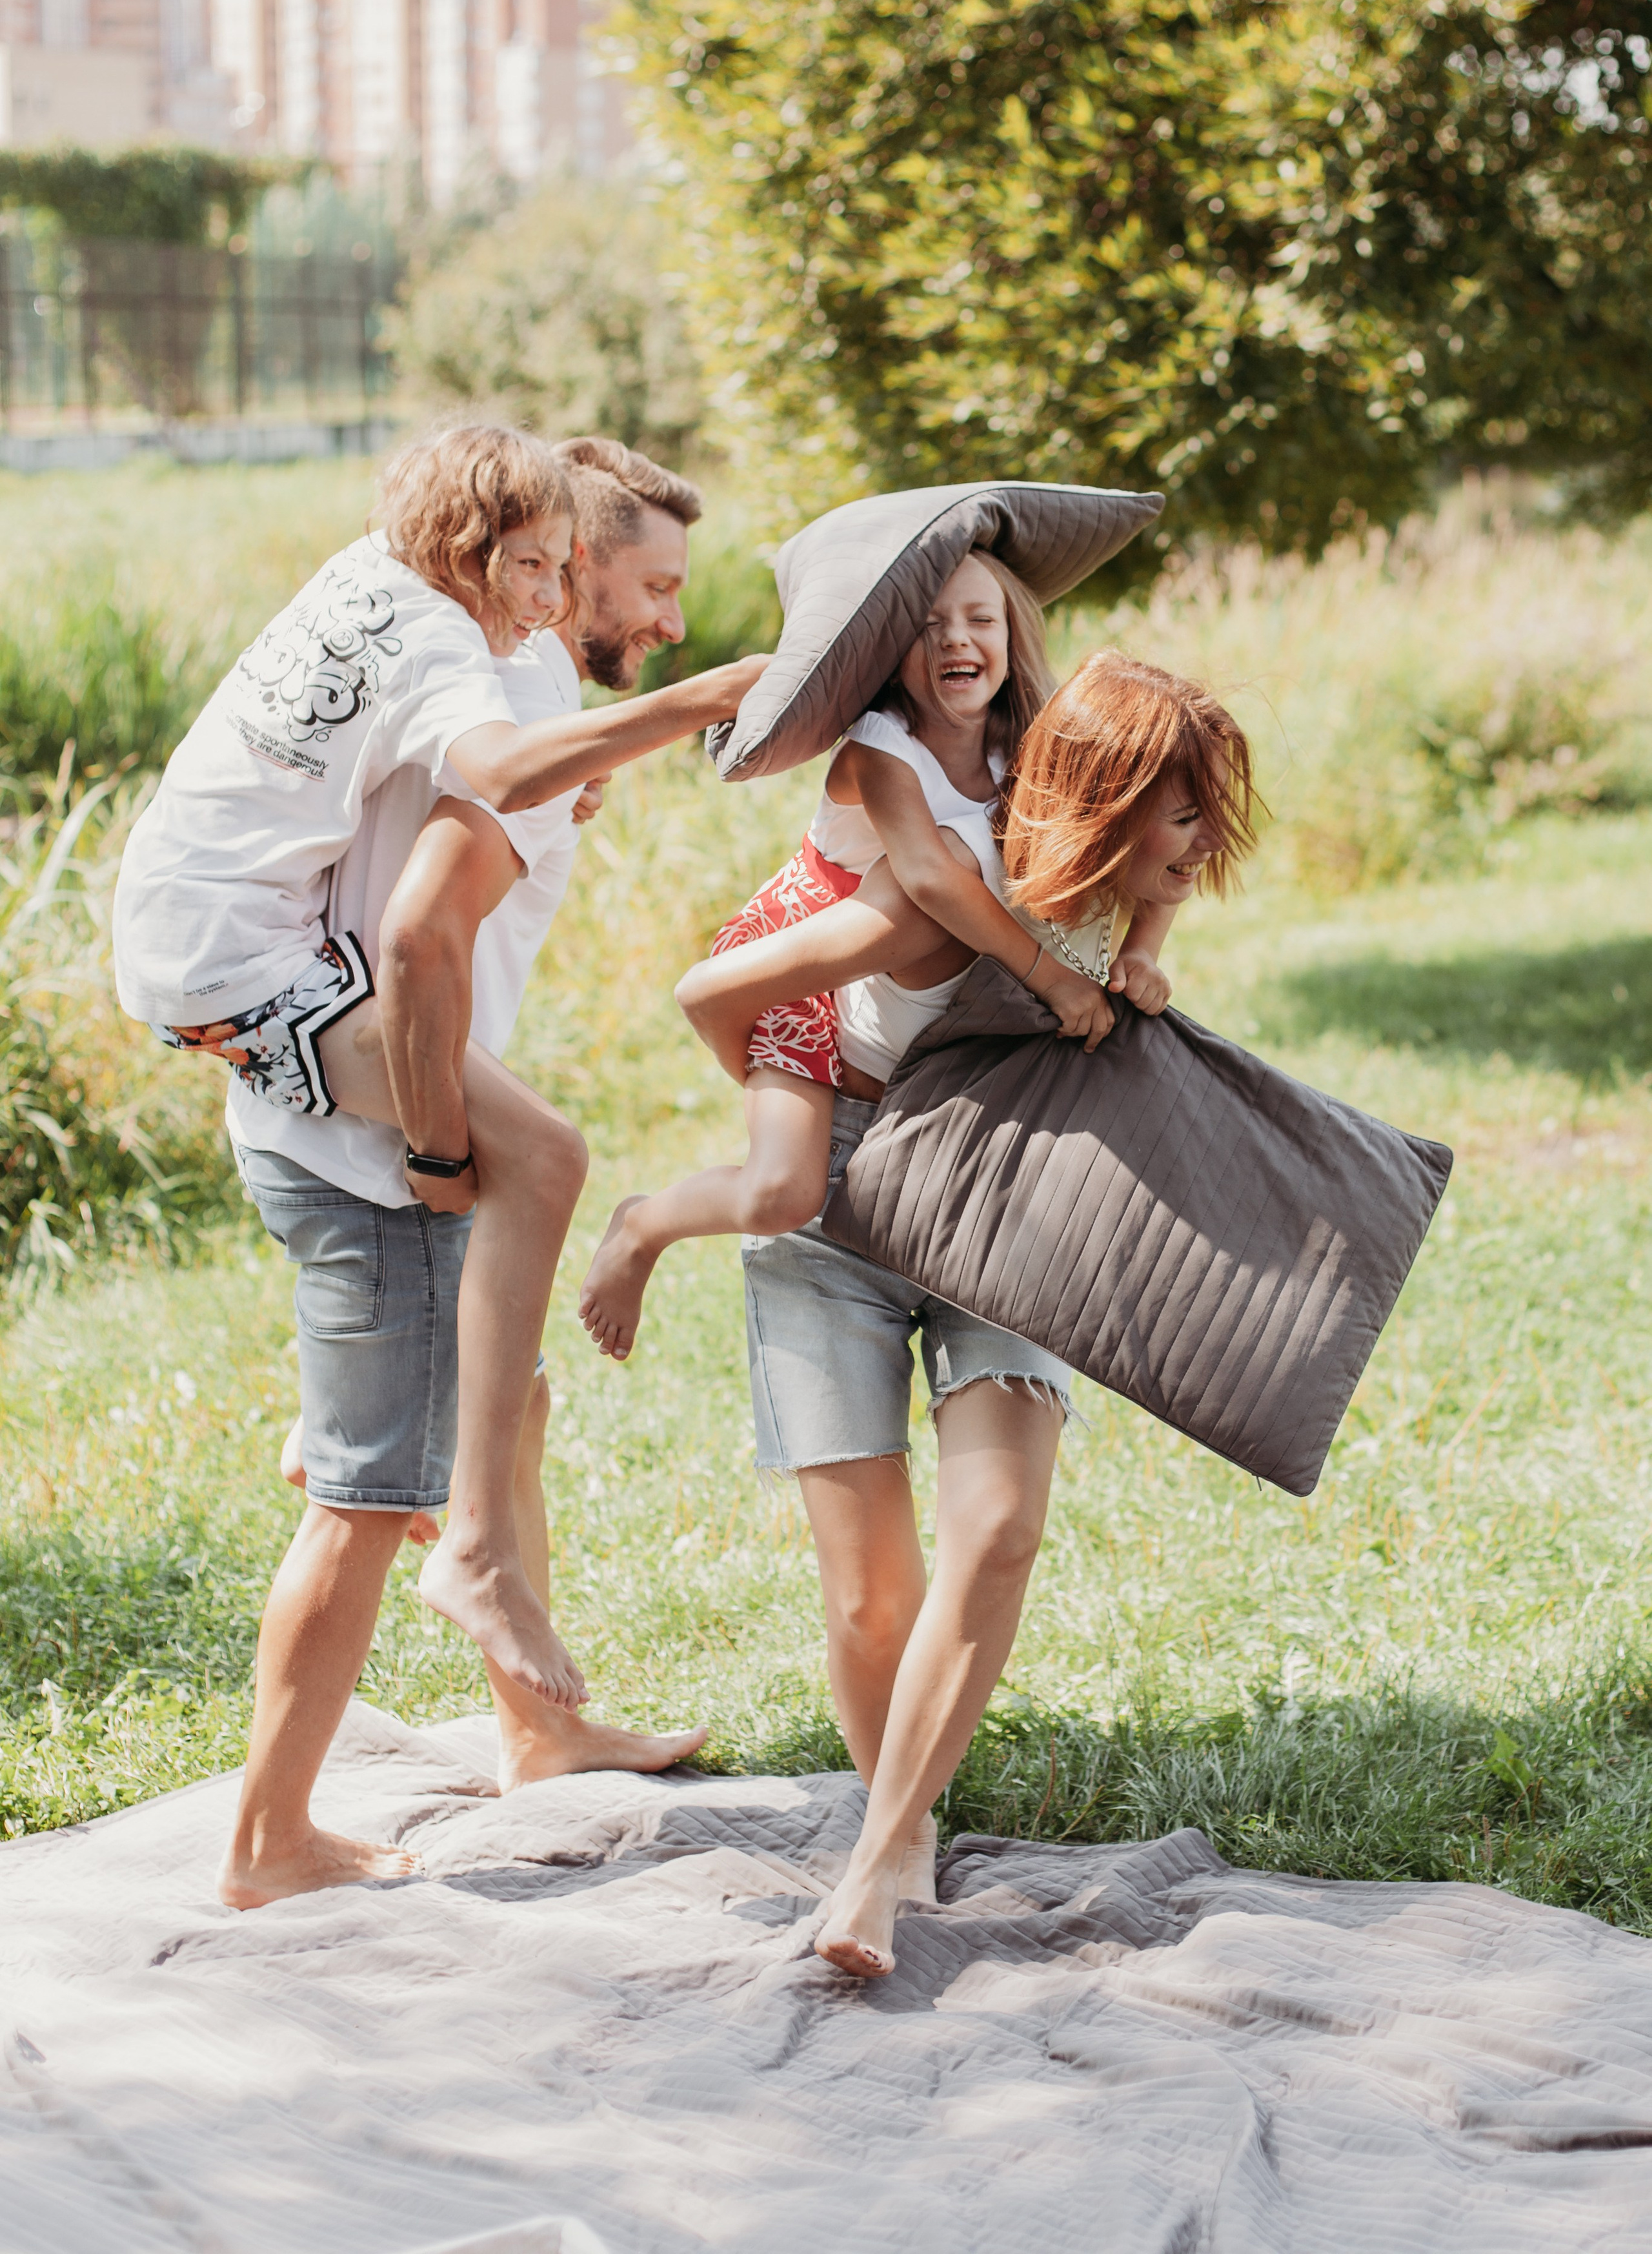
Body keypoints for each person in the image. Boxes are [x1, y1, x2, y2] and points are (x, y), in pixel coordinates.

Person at [116, 425, 763, 1905]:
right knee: (366, 1487)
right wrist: (429, 1145)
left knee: (506, 1391)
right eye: (639, 586)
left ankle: (537, 1723)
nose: (664, 622)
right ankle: (273, 1837)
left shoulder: (429, 599)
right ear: (532, 567)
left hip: (244, 983)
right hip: (320, 1076)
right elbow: (415, 935)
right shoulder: (491, 656)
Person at [671, 651, 1259, 1975]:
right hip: (833, 1218)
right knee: (870, 1602)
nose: (1202, 843)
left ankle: (879, 1855)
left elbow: (1125, 924)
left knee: (996, 1528)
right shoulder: (933, 896)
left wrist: (1145, 958)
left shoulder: (1118, 898)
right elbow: (716, 994)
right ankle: (907, 1823)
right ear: (1105, 808)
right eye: (1178, 814)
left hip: (1001, 1224)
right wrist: (771, 1139)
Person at [578, 550, 1166, 1362]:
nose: (955, 640)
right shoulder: (882, 742)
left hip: (900, 983)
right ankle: (646, 1224)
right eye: (926, 627)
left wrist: (1143, 948)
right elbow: (926, 876)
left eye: (978, 620)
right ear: (889, 648)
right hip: (808, 956)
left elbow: (1143, 826)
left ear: (1011, 633)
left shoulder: (1026, 740)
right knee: (783, 1192)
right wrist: (1050, 978)